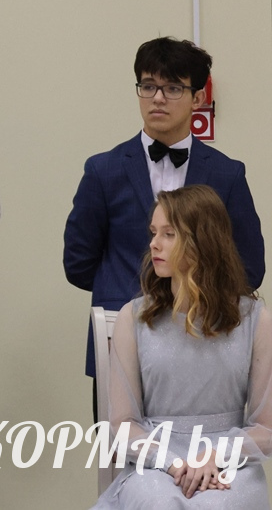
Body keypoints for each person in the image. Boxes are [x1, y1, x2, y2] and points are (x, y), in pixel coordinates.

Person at [63, 37, 264, 417]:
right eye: (148, 85)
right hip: (120, 333)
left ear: (198, 97)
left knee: (203, 448)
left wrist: (196, 300)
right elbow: (78, 263)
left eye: (173, 88)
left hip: (206, 339)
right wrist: (137, 300)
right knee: (118, 447)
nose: (158, 98)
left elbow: (249, 267)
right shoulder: (103, 170)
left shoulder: (227, 174)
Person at [92, 185, 272, 508]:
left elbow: (266, 429)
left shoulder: (255, 320)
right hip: (155, 464)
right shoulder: (132, 318)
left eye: (169, 234)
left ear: (203, 241)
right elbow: (121, 425)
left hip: (229, 465)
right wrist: (173, 463)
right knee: (159, 503)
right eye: (153, 232)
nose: (153, 243)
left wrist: (214, 456)